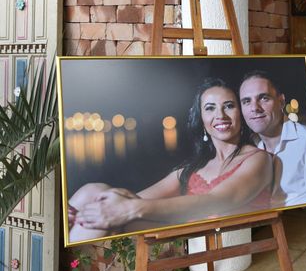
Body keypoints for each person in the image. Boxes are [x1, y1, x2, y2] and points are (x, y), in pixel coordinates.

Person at [68, 78, 274, 243]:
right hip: (182, 224)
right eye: (210, 108)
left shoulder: (258, 159)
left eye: (229, 106)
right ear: (201, 119)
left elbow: (218, 201)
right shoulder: (193, 167)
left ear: (241, 114)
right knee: (93, 192)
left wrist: (128, 209)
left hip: (215, 230)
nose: (220, 115)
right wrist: (111, 203)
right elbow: (136, 198)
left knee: (105, 213)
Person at [239, 70, 306, 207]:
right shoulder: (252, 149)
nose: (254, 108)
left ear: (281, 101)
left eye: (263, 98)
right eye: (246, 101)